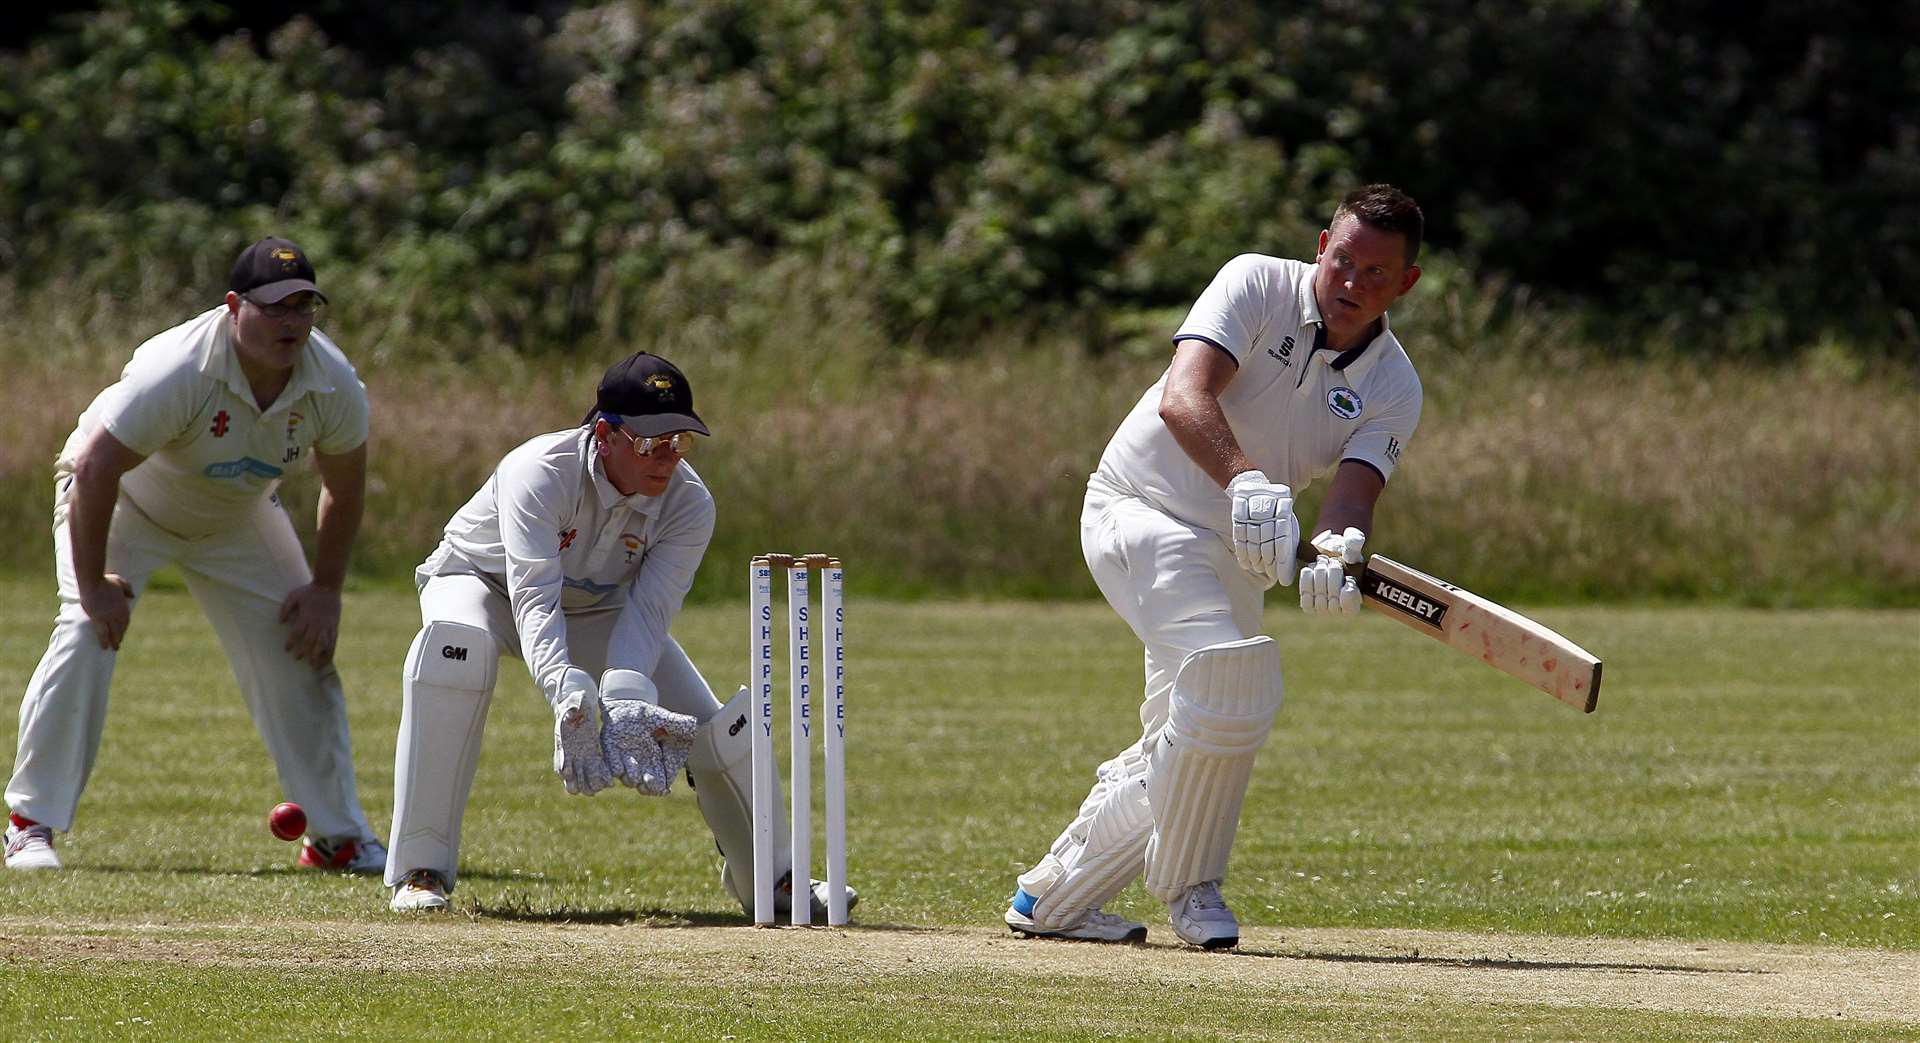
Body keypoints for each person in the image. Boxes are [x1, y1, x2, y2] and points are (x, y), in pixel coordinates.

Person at [1005, 185, 1427, 949]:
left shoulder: (1394, 385)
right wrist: (1246, 482)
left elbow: (1351, 495)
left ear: (1408, 283)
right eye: (1343, 261)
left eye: (1376, 273)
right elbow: (1183, 396)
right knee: (1233, 686)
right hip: (1139, 508)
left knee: (1193, 724)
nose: (1353, 284)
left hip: (1243, 550)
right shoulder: (1254, 282)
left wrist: (1338, 551)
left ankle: (1053, 894)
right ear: (1320, 247)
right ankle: (1193, 887)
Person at [384, 352, 858, 918]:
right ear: (604, 434)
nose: (668, 458)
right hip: (481, 583)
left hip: (597, 607)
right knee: (452, 657)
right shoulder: (539, 470)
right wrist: (566, 691)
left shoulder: (689, 503)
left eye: (680, 441)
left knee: (716, 728)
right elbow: (534, 592)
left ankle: (776, 881)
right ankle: (419, 871)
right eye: (651, 443)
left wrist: (627, 696)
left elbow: (649, 613)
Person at [4, 237, 387, 872]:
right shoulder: (177, 367)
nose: (290, 323)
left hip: (236, 516)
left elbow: (342, 490)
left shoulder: (334, 383)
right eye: (274, 308)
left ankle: (337, 838)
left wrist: (325, 591)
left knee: (304, 646)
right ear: (234, 307)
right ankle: (28, 824)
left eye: (303, 307)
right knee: (84, 628)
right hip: (123, 502)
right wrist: (97, 585)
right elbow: (97, 467)